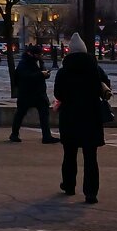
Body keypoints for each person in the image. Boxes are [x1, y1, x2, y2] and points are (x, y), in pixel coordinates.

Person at [54, 33, 109, 204]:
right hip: (91, 117)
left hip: (70, 117)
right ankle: (91, 192)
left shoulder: (64, 71)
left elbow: (58, 94)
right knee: (90, 157)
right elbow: (105, 87)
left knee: (69, 154)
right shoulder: (95, 69)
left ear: (69, 52)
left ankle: (69, 185)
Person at [10, 44, 59, 144]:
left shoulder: (38, 62)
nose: (41, 56)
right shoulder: (24, 63)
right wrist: (41, 74)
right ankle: (14, 134)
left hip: (39, 93)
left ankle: (46, 136)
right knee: (20, 113)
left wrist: (45, 74)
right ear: (32, 54)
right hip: (26, 93)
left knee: (44, 114)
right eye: (39, 54)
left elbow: (38, 74)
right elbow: (25, 77)